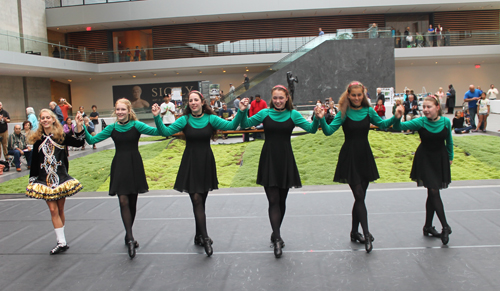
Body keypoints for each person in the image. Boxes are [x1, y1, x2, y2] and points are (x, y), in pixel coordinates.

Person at [151, 91, 247, 257]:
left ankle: (198, 235)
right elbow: (165, 133)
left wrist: (242, 111)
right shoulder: (185, 120)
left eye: (196, 100)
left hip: (205, 162)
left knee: (201, 201)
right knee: (196, 199)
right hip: (190, 162)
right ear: (188, 104)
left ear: (202, 102)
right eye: (190, 101)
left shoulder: (211, 118)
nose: (193, 103)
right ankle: (206, 237)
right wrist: (157, 117)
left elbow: (231, 126)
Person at [317, 81, 403, 253]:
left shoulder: (369, 111)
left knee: (360, 197)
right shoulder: (343, 112)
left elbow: (383, 125)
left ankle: (354, 232)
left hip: (364, 156)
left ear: (363, 95)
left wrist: (397, 116)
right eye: (353, 95)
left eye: (359, 95)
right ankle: (366, 233)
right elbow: (328, 131)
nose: (356, 98)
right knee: (359, 195)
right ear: (348, 95)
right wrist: (320, 119)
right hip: (349, 157)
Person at [240, 85, 321, 258]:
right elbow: (245, 124)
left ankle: (275, 232)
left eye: (281, 98)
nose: (278, 101)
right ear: (271, 98)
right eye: (275, 98)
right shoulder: (265, 113)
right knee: (273, 200)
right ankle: (277, 239)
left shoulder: (293, 115)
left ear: (287, 98)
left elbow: (312, 129)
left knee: (282, 201)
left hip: (285, 160)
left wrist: (318, 118)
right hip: (268, 159)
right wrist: (242, 111)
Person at [83, 98, 163, 259]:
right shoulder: (112, 128)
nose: (120, 112)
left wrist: (156, 117)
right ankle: (131, 238)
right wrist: (83, 126)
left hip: (134, 166)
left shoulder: (136, 125)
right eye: (117, 109)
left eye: (123, 109)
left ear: (128, 110)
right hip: (119, 166)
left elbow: (159, 132)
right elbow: (92, 140)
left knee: (132, 203)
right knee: (123, 201)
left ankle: (128, 235)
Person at [393, 96, 453, 245]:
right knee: (433, 190)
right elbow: (398, 127)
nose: (425, 110)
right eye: (424, 107)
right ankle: (445, 226)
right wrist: (397, 116)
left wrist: (450, 157)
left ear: (437, 107)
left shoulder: (446, 122)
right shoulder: (421, 121)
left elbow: (449, 141)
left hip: (439, 159)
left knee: (432, 192)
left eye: (429, 107)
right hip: (425, 159)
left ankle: (427, 226)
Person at [26, 109, 85, 254]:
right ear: (40, 121)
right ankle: (61, 242)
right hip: (44, 180)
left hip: (61, 178)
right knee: (53, 210)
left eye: (47, 117)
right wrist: (32, 180)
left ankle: (62, 239)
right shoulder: (38, 140)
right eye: (42, 118)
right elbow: (34, 162)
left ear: (53, 119)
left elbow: (79, 142)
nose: (45, 120)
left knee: (60, 209)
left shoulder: (61, 137)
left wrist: (78, 125)